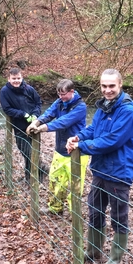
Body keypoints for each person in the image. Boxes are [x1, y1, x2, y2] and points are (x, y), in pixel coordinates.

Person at [66, 69, 133, 264]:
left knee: (118, 216)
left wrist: (83, 147)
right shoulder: (103, 107)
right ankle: (94, 250)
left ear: (120, 85)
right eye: (104, 86)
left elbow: (112, 141)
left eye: (111, 86)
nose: (107, 90)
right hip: (100, 169)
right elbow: (93, 130)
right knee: (95, 211)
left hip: (118, 172)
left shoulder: (127, 111)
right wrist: (78, 137)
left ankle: (116, 258)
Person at [26, 79, 88, 215]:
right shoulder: (60, 102)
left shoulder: (80, 107)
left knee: (75, 184)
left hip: (77, 151)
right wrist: (36, 122)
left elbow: (64, 122)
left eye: (64, 94)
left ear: (72, 91)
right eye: (59, 94)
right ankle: (55, 208)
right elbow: (49, 113)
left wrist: (43, 128)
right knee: (55, 179)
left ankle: (75, 213)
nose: (61, 97)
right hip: (60, 149)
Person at [0, 67, 42, 184]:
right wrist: (22, 114)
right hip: (19, 127)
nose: (16, 81)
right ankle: (40, 171)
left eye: (18, 78)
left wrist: (35, 114)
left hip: (34, 126)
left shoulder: (29, 89)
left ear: (22, 78)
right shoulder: (5, 92)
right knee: (27, 152)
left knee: (35, 152)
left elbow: (38, 103)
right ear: (9, 79)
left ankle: (31, 178)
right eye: (14, 79)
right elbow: (7, 109)